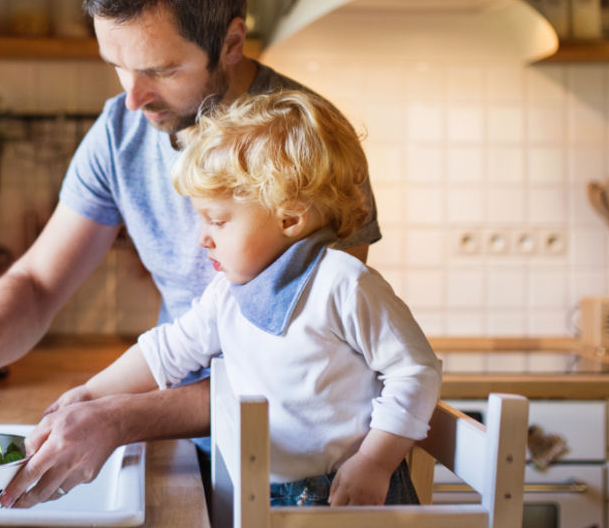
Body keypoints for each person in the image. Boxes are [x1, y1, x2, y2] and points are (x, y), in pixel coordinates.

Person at [0, 0, 382, 508]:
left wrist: (124, 417)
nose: (132, 95)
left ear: (230, 43)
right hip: (187, 440)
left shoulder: (312, 147)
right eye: (118, 64)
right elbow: (39, 282)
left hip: (306, 468)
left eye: (159, 69)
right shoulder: (120, 131)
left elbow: (308, 368)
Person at [54, 91, 442, 506]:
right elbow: (167, 350)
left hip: (347, 492)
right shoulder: (230, 292)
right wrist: (89, 395)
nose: (202, 237)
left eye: (217, 220)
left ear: (290, 219)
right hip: (263, 493)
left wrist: (375, 462)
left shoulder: (343, 283)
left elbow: (416, 372)